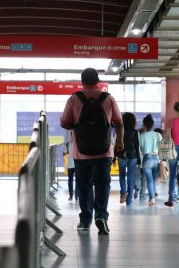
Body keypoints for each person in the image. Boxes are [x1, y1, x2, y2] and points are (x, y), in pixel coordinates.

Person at [60, 68, 123, 235]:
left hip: (81, 152)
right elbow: (119, 122)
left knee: (84, 186)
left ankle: (85, 221)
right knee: (102, 185)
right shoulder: (108, 98)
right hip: (104, 152)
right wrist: (120, 142)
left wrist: (76, 124)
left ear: (82, 81)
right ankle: (101, 216)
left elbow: (65, 122)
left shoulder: (74, 98)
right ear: (97, 81)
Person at [116, 113, 140, 206]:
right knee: (130, 178)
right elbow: (137, 146)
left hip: (122, 155)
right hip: (133, 156)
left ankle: (123, 193)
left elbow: (117, 143)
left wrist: (114, 156)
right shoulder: (135, 132)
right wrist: (138, 159)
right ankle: (129, 201)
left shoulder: (120, 131)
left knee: (122, 175)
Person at [139, 114, 162, 206]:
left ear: (144, 125)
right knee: (152, 180)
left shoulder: (141, 136)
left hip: (147, 159)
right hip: (156, 159)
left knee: (149, 180)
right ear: (153, 125)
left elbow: (141, 148)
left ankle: (152, 198)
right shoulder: (158, 134)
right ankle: (152, 198)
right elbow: (161, 147)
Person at [64, 132, 78, 201]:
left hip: (70, 164)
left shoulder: (67, 143)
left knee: (70, 179)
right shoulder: (78, 142)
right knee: (77, 180)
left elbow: (65, 152)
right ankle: (76, 196)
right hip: (77, 163)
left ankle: (71, 196)